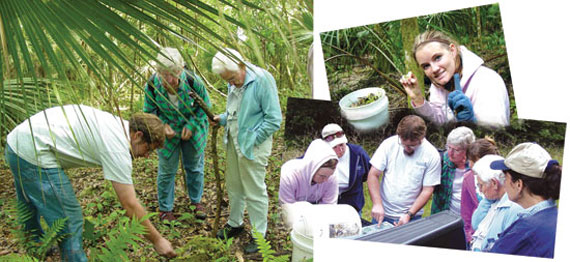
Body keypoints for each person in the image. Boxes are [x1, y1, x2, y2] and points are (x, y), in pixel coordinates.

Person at [5, 105, 177, 261]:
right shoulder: (117, 147)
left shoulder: (119, 125)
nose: (147, 156)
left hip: (16, 143)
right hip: (34, 153)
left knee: (28, 207)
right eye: (149, 148)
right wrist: (158, 240)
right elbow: (129, 204)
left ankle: (35, 249)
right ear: (138, 135)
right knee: (69, 220)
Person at [210, 48, 282, 253]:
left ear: (242, 65)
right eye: (227, 80)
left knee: (253, 189)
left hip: (253, 144)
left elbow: (274, 119)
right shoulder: (234, 80)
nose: (231, 83)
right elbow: (237, 112)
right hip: (233, 140)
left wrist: (253, 139)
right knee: (233, 185)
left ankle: (260, 236)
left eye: (232, 78)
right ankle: (235, 223)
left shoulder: (262, 80)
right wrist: (222, 119)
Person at [144, 47, 211, 221]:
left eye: (174, 74)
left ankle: (196, 202)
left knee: (194, 167)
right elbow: (149, 112)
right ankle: (165, 209)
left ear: (181, 70)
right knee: (166, 170)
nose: (170, 80)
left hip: (193, 128)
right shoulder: (152, 86)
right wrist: (162, 126)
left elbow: (205, 108)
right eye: (165, 74)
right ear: (158, 72)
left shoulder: (192, 82)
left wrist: (192, 124)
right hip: (167, 132)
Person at [400, 30, 509, 127]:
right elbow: (439, 121)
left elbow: (493, 139)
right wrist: (418, 99)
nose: (434, 69)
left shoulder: (486, 81)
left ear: (452, 50)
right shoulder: (439, 85)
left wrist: (470, 123)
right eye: (426, 66)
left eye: (438, 58)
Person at [489, 143, 561, 258]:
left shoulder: (524, 231)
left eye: (505, 177)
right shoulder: (555, 216)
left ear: (518, 184)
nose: (504, 184)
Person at [367, 115, 441, 226]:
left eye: (412, 146)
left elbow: (427, 190)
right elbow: (373, 174)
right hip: (382, 213)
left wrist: (409, 214)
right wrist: (377, 204)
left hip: (411, 217)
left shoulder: (431, 154)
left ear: (421, 138)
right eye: (403, 144)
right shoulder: (389, 144)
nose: (406, 148)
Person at [470, 154, 523, 252]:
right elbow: (475, 224)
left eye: (480, 185)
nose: (480, 190)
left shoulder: (513, 208)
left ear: (494, 183)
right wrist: (486, 200)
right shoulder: (493, 199)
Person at [320, 123, 371, 216]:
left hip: (353, 206)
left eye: (341, 145)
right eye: (334, 147)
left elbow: (369, 174)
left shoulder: (358, 153)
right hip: (327, 205)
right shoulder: (320, 154)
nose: (339, 150)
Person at [462, 137, 500, 243]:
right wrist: (469, 237)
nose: (470, 165)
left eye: (474, 161)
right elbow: (466, 212)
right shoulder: (468, 178)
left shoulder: (503, 179)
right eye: (469, 160)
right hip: (477, 236)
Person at [431, 126, 475, 215]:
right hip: (443, 217)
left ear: (467, 150)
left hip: (468, 219)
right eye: (449, 147)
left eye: (456, 150)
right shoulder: (441, 161)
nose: (450, 153)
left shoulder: (475, 166)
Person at [279, 139, 339, 204]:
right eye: (322, 176)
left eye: (329, 176)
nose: (326, 180)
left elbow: (329, 207)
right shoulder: (288, 176)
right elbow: (286, 208)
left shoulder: (332, 177)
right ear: (312, 169)